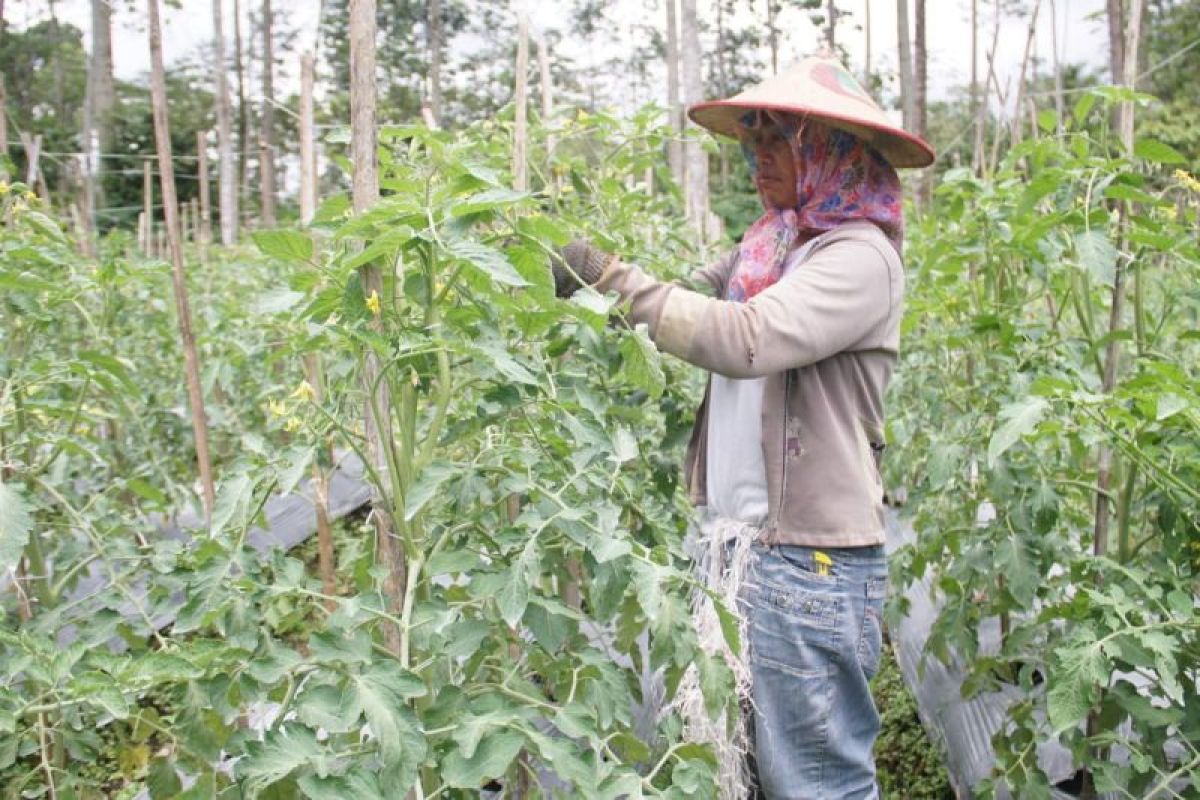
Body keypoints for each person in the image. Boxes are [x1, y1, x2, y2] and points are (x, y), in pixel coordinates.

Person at [552, 56, 935, 799]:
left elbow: (741, 337)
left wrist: (611, 279)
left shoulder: (858, 259)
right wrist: (578, 288)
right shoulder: (771, 246)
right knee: (752, 777)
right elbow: (689, 300)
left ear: (831, 150)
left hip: (808, 566)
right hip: (743, 552)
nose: (756, 158)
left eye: (777, 140)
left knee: (816, 784)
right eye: (750, 141)